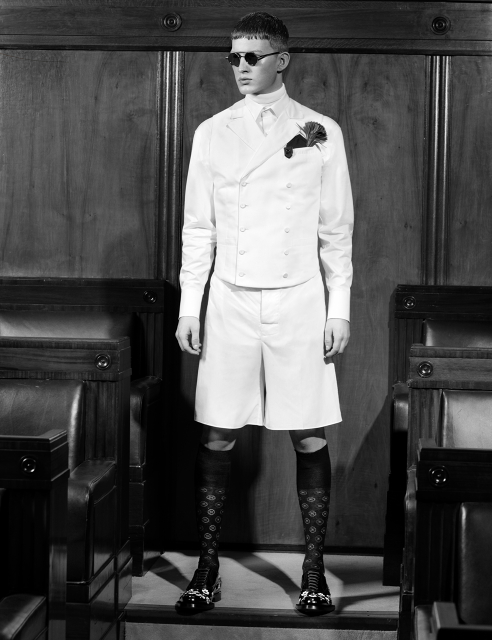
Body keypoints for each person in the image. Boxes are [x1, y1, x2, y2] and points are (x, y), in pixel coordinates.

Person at [175, 11, 354, 616]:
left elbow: (337, 231)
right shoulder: (211, 132)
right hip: (230, 297)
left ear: (283, 59)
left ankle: (313, 571)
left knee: (309, 432)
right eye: (234, 57)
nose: (241, 68)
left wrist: (339, 309)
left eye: (253, 57)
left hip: (299, 298)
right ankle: (206, 569)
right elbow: (198, 229)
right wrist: (190, 306)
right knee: (218, 431)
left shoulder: (321, 130)